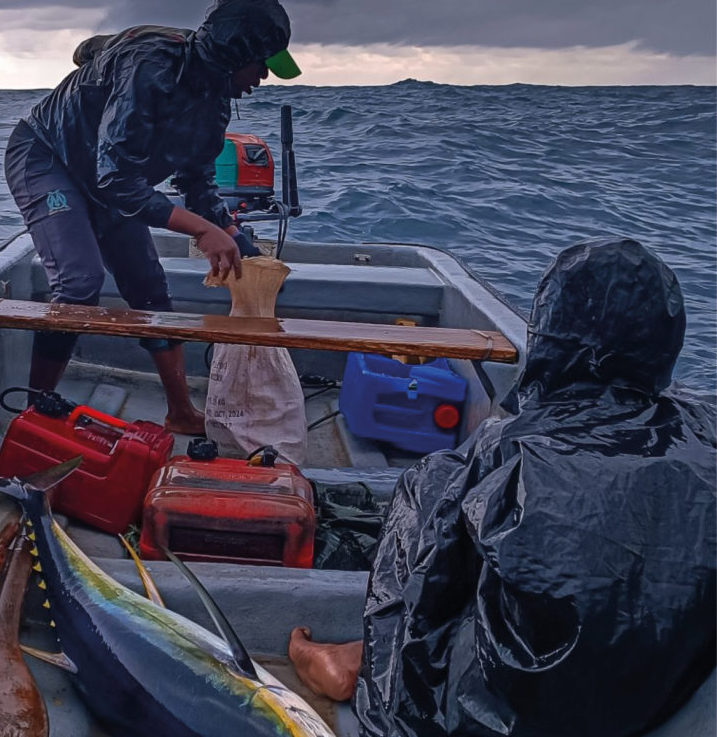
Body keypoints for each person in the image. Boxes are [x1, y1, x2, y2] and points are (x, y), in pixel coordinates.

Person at [289, 237, 716, 736]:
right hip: (651, 697)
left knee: (428, 489)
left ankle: (355, 664)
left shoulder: (506, 449)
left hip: (502, 710)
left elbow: (428, 597)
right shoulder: (703, 430)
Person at [4, 0, 300, 434]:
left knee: (149, 289)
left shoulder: (215, 102)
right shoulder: (151, 64)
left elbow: (198, 185)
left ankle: (181, 412)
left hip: (110, 179)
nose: (263, 77)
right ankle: (35, 413)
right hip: (48, 157)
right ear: (236, 51)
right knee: (81, 280)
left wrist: (239, 240)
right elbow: (117, 179)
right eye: (261, 64)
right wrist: (202, 231)